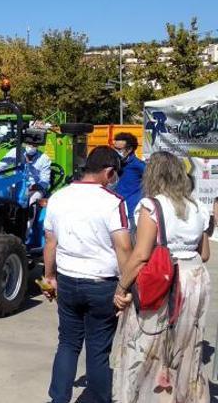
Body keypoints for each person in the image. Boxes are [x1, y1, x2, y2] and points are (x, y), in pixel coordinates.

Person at [112, 151, 212, 403]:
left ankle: (149, 396)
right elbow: (206, 253)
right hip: (195, 277)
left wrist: (121, 287)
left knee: (147, 344)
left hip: (164, 280)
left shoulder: (152, 205)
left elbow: (141, 255)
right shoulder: (197, 205)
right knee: (185, 345)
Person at [43, 146, 132, 403]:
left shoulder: (59, 197)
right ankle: (98, 399)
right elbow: (124, 247)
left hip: (68, 281)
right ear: (108, 172)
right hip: (102, 285)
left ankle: (58, 398)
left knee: (68, 344)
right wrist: (124, 289)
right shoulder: (113, 202)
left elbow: (50, 242)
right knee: (98, 349)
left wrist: (49, 277)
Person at [0, 135, 52, 205]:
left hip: (35, 188)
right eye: (29, 143)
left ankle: (30, 215)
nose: (31, 146)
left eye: (34, 145)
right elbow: (0, 166)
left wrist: (35, 187)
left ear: (38, 145)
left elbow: (45, 180)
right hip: (16, 184)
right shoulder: (16, 152)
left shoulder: (44, 158)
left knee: (32, 201)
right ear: (25, 142)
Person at [113, 132, 145, 231]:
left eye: (119, 149)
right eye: (115, 148)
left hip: (131, 213)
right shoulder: (114, 163)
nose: (116, 152)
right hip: (115, 210)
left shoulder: (138, 165)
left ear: (129, 149)